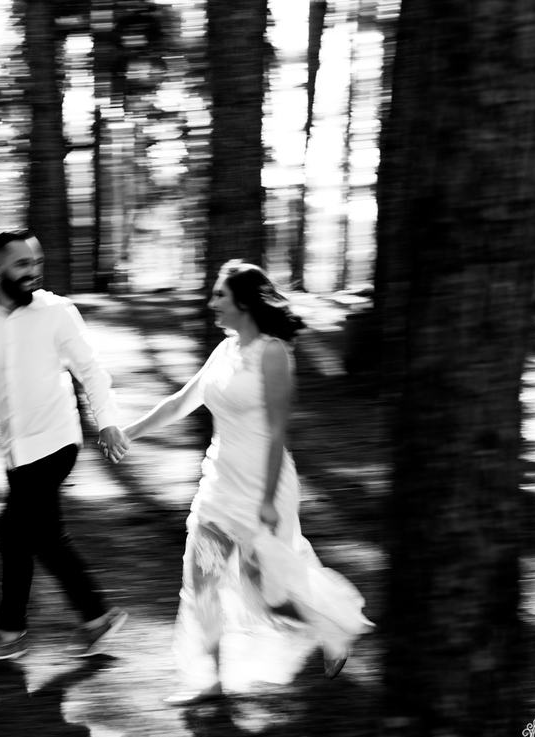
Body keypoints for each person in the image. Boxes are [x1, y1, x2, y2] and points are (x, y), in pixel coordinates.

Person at [122, 261, 373, 704]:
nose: (211, 302)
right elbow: (180, 402)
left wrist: (269, 500)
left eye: (219, 295)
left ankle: (330, 628)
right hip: (218, 486)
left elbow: (277, 432)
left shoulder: (273, 353)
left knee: (268, 596)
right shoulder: (225, 349)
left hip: (262, 488)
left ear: (243, 302)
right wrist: (127, 433)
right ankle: (210, 680)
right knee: (202, 582)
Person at [0, 229, 130, 660]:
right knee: (45, 536)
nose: (32, 271)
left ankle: (9, 632)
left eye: (36, 263)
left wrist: (108, 421)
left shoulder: (57, 312)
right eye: (21, 263)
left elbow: (91, 370)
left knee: (14, 530)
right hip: (15, 451)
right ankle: (97, 619)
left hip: (57, 440)